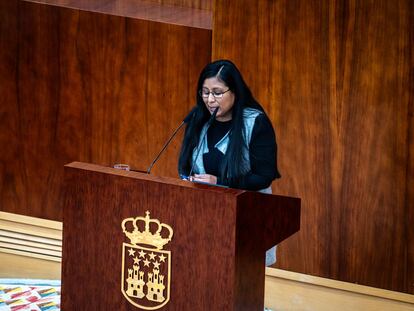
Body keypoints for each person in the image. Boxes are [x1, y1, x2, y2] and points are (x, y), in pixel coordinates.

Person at [178, 59, 281, 266]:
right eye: (205, 92)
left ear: (234, 91)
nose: (210, 99)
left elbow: (264, 176)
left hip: (248, 218)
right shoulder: (198, 119)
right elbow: (187, 164)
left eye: (217, 92)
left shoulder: (254, 122)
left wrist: (220, 181)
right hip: (206, 217)